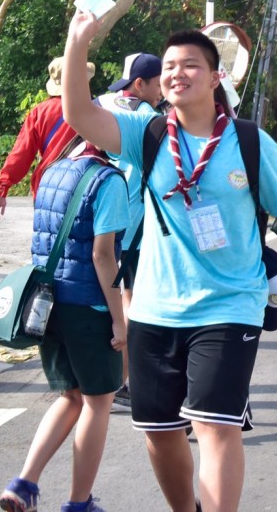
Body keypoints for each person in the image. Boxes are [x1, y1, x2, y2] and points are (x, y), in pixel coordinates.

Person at [59, 10, 277, 512]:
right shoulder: (144, 135)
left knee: (216, 427)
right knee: (160, 432)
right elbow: (78, 116)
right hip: (154, 308)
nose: (177, 72)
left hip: (230, 305)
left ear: (217, 78)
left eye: (190, 64)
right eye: (169, 65)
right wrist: (77, 44)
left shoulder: (252, 143)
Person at [0, 142, 129, 512]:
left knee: (69, 397)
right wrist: (120, 319)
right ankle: (79, 503)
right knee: (98, 402)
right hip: (89, 306)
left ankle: (24, 483)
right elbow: (102, 254)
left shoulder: (52, 171)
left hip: (47, 303)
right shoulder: (109, 180)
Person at [94, 52, 163, 411]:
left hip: (99, 217)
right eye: (158, 80)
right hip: (135, 222)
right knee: (132, 301)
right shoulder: (152, 119)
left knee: (108, 296)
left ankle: (106, 378)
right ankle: (126, 380)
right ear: (142, 84)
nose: (163, 85)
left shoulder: (103, 104)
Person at [0, 58, 95, 217]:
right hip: (86, 185)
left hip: (47, 187)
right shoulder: (96, 110)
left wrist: (2, 188)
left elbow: (21, 153)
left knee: (47, 240)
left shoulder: (39, 112)